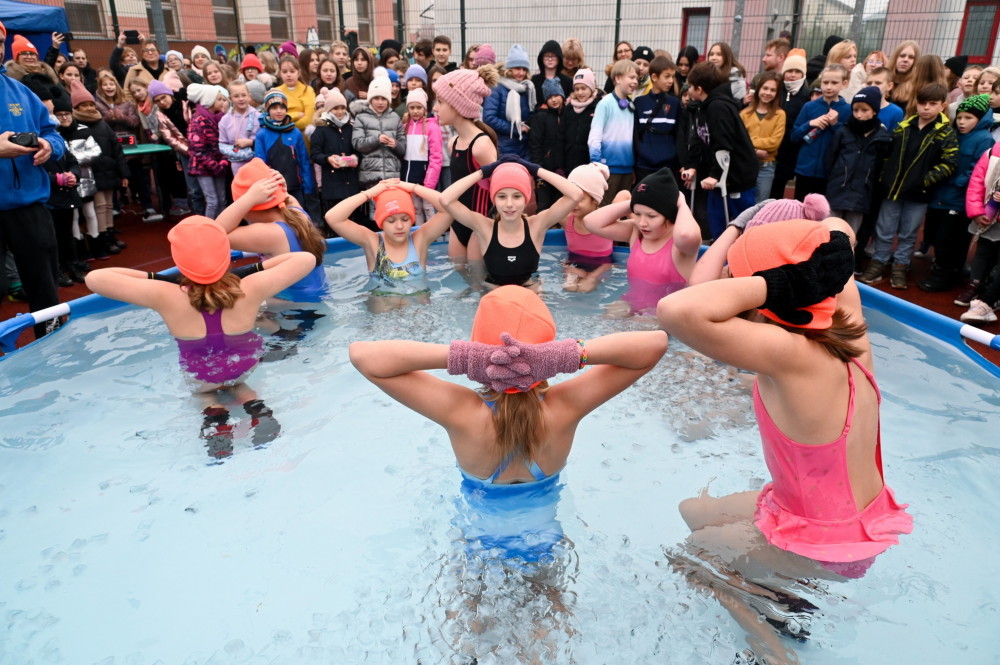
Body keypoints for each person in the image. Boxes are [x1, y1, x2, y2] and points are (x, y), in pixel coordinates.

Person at [657, 219, 912, 665]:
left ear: (775, 287)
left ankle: (772, 652)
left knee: (692, 557)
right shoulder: (850, 328)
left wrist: (772, 282)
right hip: (852, 522)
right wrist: (804, 263)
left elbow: (676, 311)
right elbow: (837, 228)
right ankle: (778, 591)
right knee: (693, 512)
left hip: (825, 547)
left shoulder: (789, 354)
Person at [348, 284, 668, 585]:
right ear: (547, 351)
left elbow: (364, 356)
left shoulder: (462, 413)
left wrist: (463, 359)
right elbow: (654, 344)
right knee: (549, 626)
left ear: (477, 348)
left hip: (478, 545)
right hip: (544, 541)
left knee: (470, 627)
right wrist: (568, 356)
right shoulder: (564, 408)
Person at [84, 216, 315, 457]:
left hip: (201, 374)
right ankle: (257, 409)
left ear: (179, 260)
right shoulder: (250, 287)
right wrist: (249, 270)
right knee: (237, 383)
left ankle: (215, 419)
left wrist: (160, 278)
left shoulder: (164, 294)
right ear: (225, 255)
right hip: (244, 366)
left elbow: (94, 279)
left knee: (205, 393)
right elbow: (305, 258)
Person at [0, 22, 65, 337]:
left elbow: (52, 131)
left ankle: (54, 348)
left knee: (45, 290)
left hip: (30, 205)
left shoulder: (21, 90)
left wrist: (49, 145)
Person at [859, 83, 958, 289]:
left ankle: (900, 266)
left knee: (908, 233)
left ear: (943, 105)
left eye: (933, 104)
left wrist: (924, 181)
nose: (926, 108)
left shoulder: (945, 133)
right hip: (892, 191)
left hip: (919, 195)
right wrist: (885, 178)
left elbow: (949, 164)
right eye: (923, 103)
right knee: (884, 229)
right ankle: (879, 261)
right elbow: (887, 156)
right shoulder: (903, 128)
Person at [441, 157, 582, 288]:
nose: (509, 204)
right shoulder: (484, 227)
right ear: (494, 199)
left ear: (525, 199)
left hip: (529, 293)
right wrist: (485, 171)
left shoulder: (537, 225)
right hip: (494, 294)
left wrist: (534, 169)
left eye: (517, 196)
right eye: (502, 196)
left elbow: (575, 194)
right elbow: (445, 199)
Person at [584, 168, 701, 315]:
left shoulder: (680, 245)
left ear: (669, 214)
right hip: (630, 303)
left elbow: (687, 235)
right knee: (608, 315)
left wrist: (681, 204)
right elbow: (591, 222)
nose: (642, 223)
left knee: (643, 324)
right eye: (637, 214)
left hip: (664, 315)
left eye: (651, 216)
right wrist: (637, 201)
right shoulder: (636, 232)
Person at [324, 179, 453, 310]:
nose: (399, 226)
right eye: (391, 221)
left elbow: (448, 207)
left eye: (405, 219)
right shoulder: (372, 242)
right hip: (384, 317)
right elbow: (333, 217)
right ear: (381, 222)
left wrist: (413, 188)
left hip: (418, 313)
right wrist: (369, 193)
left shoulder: (419, 240)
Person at [215, 159, 327, 302]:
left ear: (249, 208)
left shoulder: (271, 233)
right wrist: (279, 187)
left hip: (296, 310)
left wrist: (246, 200)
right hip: (317, 296)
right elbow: (286, 197)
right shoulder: (297, 212)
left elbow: (215, 234)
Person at [920, 94, 995, 293]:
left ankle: (944, 275)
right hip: (941, 195)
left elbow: (978, 169)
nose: (962, 122)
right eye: (960, 117)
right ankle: (947, 269)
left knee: (951, 239)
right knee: (936, 235)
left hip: (959, 199)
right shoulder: (953, 135)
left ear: (980, 119)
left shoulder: (984, 139)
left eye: (968, 118)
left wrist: (956, 182)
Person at [681, 62, 759, 240]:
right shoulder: (703, 107)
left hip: (737, 177)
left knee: (741, 223)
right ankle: (720, 259)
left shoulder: (718, 107)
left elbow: (723, 143)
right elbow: (698, 138)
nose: (688, 90)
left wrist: (715, 175)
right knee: (716, 221)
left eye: (690, 86)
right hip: (720, 175)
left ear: (699, 89)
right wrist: (692, 165)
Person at [431, 65, 499, 259]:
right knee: (460, 278)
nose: (435, 108)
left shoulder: (481, 145)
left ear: (457, 105)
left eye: (440, 102)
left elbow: (498, 192)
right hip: (458, 223)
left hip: (480, 225)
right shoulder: (454, 143)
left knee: (479, 282)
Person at [69, 80, 128, 260]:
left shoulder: (103, 124)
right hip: (92, 175)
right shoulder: (76, 127)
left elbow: (117, 149)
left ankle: (110, 234)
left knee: (109, 205)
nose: (87, 108)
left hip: (109, 172)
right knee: (99, 207)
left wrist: (123, 172)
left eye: (90, 104)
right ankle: (101, 237)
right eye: (83, 105)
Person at [824, 86, 892, 233]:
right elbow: (830, 158)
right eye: (855, 110)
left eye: (864, 110)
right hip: (837, 189)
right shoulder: (843, 131)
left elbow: (881, 166)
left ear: (874, 111)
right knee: (829, 230)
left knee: (851, 233)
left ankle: (849, 255)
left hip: (862, 193)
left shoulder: (882, 137)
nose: (859, 115)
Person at [954, 133, 1000, 312]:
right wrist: (976, 212)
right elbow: (976, 183)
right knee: (982, 252)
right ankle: (973, 286)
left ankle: (991, 295)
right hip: (988, 215)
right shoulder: (991, 153)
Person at [352, 76, 406, 224]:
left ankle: (390, 244)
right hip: (371, 173)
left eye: (384, 98)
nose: (380, 102)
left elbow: (403, 148)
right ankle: (377, 245)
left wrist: (394, 144)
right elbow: (357, 143)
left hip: (392, 173)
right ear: (370, 99)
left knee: (391, 211)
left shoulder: (395, 117)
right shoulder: (361, 117)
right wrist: (376, 139)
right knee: (374, 213)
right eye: (377, 98)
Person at [588, 58, 639, 203]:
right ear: (617, 78)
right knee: (604, 207)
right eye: (631, 77)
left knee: (622, 210)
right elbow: (595, 135)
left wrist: (632, 167)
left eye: (637, 78)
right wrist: (596, 164)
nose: (635, 81)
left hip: (627, 169)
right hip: (608, 168)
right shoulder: (605, 104)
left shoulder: (630, 105)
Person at [254, 90, 314, 207]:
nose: (279, 111)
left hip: (295, 186)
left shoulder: (295, 132)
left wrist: (308, 187)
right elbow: (260, 163)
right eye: (274, 107)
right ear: (268, 110)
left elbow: (304, 161)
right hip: (274, 188)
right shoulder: (262, 134)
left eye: (282, 107)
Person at [560, 163, 614, 292]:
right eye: (571, 197)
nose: (574, 204)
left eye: (580, 199)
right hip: (573, 264)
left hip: (600, 267)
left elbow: (624, 194)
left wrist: (635, 220)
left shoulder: (607, 220)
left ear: (595, 200)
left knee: (586, 287)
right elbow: (542, 219)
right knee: (569, 287)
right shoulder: (566, 219)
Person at [310, 86, 360, 218]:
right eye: (335, 108)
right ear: (329, 110)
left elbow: (358, 149)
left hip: (352, 183)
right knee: (335, 219)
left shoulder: (351, 127)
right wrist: (328, 159)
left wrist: (356, 157)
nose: (340, 112)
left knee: (354, 220)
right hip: (332, 186)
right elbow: (315, 154)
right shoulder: (321, 130)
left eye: (342, 108)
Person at [769, 49, 812, 199]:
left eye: (797, 71)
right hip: (774, 146)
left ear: (803, 74)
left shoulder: (806, 96)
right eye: (789, 71)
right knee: (772, 186)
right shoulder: (776, 92)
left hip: (793, 148)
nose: (792, 75)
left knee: (784, 184)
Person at [186, 83, 231, 219]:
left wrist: (223, 162)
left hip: (218, 165)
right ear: (210, 100)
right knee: (212, 201)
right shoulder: (198, 120)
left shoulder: (220, 118)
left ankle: (223, 229)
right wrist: (215, 166)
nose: (222, 102)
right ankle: (209, 232)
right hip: (203, 167)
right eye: (219, 99)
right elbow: (197, 149)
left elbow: (225, 142)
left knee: (222, 200)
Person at [740, 71, 786, 202]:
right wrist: (754, 151)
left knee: (760, 203)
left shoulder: (780, 114)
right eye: (765, 88)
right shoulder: (745, 114)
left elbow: (774, 142)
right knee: (744, 202)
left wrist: (749, 141)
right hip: (746, 165)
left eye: (772, 90)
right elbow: (739, 140)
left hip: (766, 167)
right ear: (758, 89)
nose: (768, 93)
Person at [633, 55, 680, 183]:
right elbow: (635, 136)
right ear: (654, 77)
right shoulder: (639, 103)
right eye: (667, 76)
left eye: (672, 76)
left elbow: (680, 136)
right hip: (643, 166)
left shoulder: (676, 104)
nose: (671, 80)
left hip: (668, 167)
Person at [483, 45, 535, 159]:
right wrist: (516, 129)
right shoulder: (497, 88)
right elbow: (488, 117)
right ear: (509, 69)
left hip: (525, 147)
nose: (521, 73)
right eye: (517, 68)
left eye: (524, 69)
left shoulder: (527, 88)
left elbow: (531, 113)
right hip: (503, 147)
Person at [401, 88, 443, 224]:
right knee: (416, 208)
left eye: (419, 107)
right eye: (412, 107)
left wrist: (429, 183)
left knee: (428, 207)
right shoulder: (405, 126)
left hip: (426, 178)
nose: (415, 111)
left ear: (424, 108)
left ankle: (433, 236)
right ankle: (419, 233)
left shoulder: (432, 128)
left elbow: (436, 157)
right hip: (410, 177)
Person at [528, 79, 565, 212]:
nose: (554, 100)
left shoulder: (566, 115)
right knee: (543, 205)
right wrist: (538, 170)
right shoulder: (541, 116)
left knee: (559, 204)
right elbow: (535, 144)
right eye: (549, 97)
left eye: (556, 95)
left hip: (561, 169)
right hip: (544, 169)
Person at [560, 68, 601, 176]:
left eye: (584, 88)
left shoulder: (598, 107)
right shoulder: (568, 108)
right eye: (576, 89)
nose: (580, 92)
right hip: (569, 162)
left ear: (591, 88)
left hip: (589, 163)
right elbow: (561, 135)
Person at [219, 80, 260, 175]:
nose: (241, 99)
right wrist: (238, 154)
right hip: (237, 165)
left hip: (257, 162)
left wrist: (250, 143)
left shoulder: (259, 117)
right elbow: (222, 145)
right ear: (230, 98)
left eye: (244, 95)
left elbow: (266, 141)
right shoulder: (225, 120)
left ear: (249, 96)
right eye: (236, 96)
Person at [275, 56, 316, 134]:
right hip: (281, 135)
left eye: (292, 71)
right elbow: (275, 118)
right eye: (284, 72)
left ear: (299, 73)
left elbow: (309, 119)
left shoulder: (308, 90)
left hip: (304, 134)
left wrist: (286, 124)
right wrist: (296, 115)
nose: (288, 75)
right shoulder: (276, 92)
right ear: (280, 73)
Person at [864, 66, 904, 132]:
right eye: (869, 83)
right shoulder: (858, 107)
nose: (872, 86)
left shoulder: (896, 112)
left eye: (878, 83)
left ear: (889, 86)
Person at [886, 40, 921, 111]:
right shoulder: (883, 78)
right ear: (895, 57)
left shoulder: (917, 85)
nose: (905, 60)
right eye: (902, 56)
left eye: (911, 57)